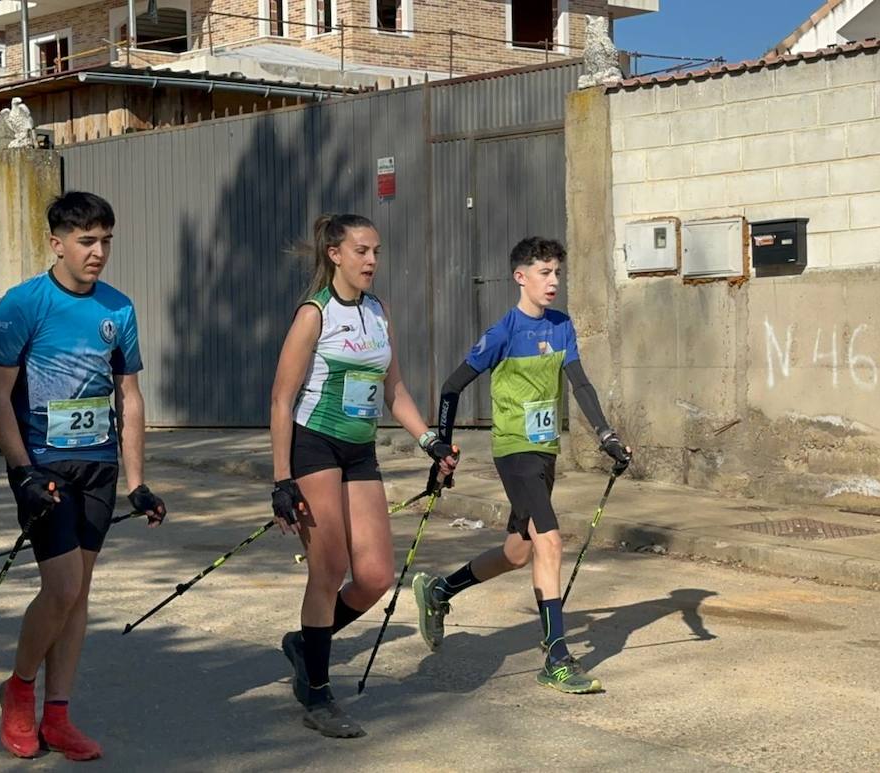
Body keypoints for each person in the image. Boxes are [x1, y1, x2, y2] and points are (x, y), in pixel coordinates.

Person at [0, 191, 167, 761]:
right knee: (61, 588)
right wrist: (22, 472)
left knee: (79, 593)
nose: (98, 252)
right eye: (87, 241)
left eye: (106, 240)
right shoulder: (23, 303)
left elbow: (129, 396)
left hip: (99, 466)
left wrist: (136, 480)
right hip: (43, 467)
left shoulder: (118, 308)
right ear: (56, 242)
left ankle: (58, 715)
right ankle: (18, 689)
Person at [412, 236, 631, 695]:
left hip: (545, 451)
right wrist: (442, 452)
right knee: (549, 541)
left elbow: (581, 386)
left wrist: (606, 435)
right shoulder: (503, 333)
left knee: (518, 551)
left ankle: (439, 591)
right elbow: (452, 388)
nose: (554, 282)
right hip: (514, 451)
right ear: (521, 277)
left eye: (557, 273)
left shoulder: (562, 326)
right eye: (545, 273)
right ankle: (556, 657)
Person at [269, 214, 458, 739]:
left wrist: (431, 441)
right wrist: (282, 479)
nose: (372, 261)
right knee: (327, 571)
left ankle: (306, 645)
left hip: (358, 451)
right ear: (335, 254)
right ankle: (318, 693)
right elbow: (282, 398)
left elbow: (394, 391)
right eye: (361, 251)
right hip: (313, 445)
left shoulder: (378, 312)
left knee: (375, 575)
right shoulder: (315, 314)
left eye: (376, 251)